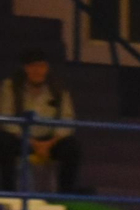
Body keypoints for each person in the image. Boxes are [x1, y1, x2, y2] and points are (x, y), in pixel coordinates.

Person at [0, 50, 83, 194]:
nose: (38, 71)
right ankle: (9, 193)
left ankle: (65, 194)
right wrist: (32, 142)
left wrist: (50, 142)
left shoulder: (58, 89)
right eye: (33, 66)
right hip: (22, 138)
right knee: (4, 143)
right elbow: (6, 119)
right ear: (25, 68)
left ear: (47, 68)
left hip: (50, 140)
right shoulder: (10, 87)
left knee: (72, 148)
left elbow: (67, 119)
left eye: (42, 66)